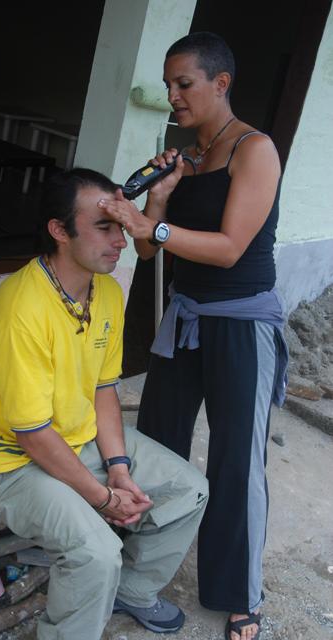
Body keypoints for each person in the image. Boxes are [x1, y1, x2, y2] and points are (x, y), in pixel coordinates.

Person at [0, 168, 208, 640]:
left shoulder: (107, 291)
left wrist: (118, 469)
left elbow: (103, 389)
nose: (121, 240)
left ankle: (132, 591)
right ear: (59, 230)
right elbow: (32, 434)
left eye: (122, 225)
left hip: (79, 436)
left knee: (189, 490)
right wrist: (104, 499)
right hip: (7, 460)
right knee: (95, 553)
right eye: (104, 226)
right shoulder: (21, 309)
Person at [98, 32, 288, 640]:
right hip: (184, 318)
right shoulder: (188, 158)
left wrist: (148, 228)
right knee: (158, 443)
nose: (173, 96)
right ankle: (134, 564)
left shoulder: (254, 150)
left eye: (184, 84)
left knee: (236, 461)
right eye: (168, 85)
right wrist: (157, 201)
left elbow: (229, 249)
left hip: (241, 324)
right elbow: (149, 251)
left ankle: (239, 592)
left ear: (220, 83)